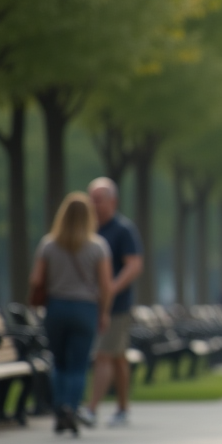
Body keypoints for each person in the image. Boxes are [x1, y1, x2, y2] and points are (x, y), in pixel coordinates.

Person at [29, 192, 112, 436]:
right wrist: (104, 312)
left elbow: (36, 279)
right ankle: (71, 408)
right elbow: (106, 285)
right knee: (78, 365)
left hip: (56, 307)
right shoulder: (98, 246)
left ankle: (58, 410)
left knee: (59, 362)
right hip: (85, 309)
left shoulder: (49, 244)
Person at [85, 177, 144, 428]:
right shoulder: (88, 228)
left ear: (113, 201)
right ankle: (122, 408)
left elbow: (134, 265)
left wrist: (112, 288)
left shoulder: (122, 229)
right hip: (91, 303)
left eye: (99, 200)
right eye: (92, 199)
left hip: (117, 306)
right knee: (118, 358)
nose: (94, 204)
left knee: (104, 355)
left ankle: (90, 409)